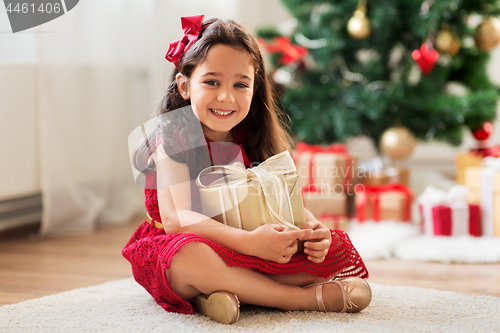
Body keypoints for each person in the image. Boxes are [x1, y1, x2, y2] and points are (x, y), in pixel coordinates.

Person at [123, 15, 371, 325]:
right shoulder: (173, 137)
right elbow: (178, 221)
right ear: (185, 86)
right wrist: (251, 243)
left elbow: (283, 202)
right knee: (191, 258)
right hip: (191, 243)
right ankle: (297, 298)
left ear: (255, 89)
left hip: (248, 242)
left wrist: (311, 229)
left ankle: (225, 292)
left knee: (330, 248)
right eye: (212, 81)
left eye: (240, 84)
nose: (226, 97)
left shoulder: (252, 138)